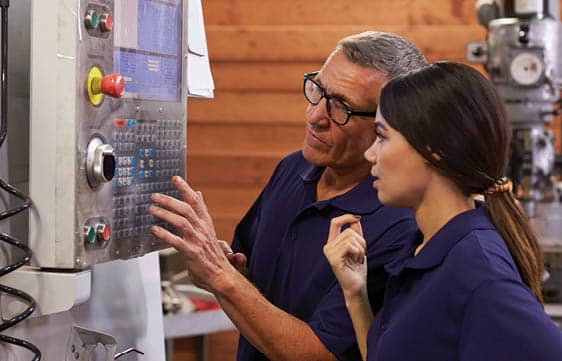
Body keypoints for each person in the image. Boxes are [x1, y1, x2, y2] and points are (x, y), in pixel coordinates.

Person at [149, 31, 426, 361]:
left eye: (341, 108)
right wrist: (222, 268)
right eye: (317, 90)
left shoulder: (397, 225)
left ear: (385, 126)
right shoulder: (293, 169)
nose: (314, 117)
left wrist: (222, 280)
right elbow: (252, 285)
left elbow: (318, 353)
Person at [324, 61, 562, 361]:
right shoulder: (424, 247)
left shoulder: (478, 273)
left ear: (435, 150)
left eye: (382, 137)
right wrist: (355, 295)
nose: (370, 153)